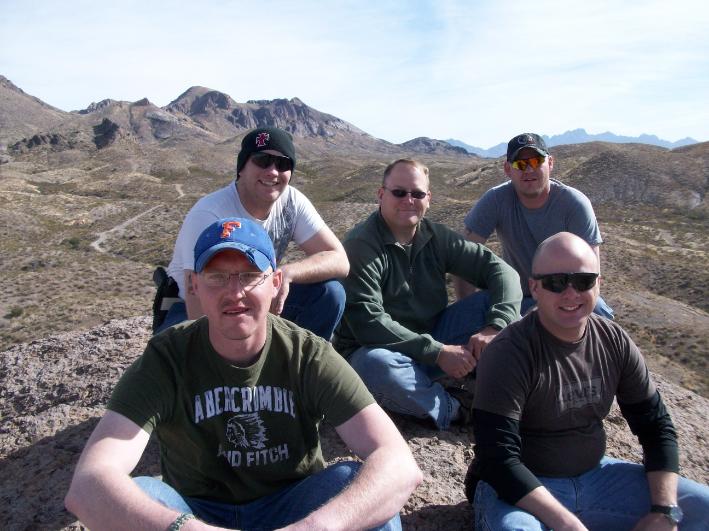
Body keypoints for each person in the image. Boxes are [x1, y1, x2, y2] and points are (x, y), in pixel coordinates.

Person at [65, 217, 422, 531]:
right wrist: (186, 529)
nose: (234, 293)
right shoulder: (168, 358)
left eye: (250, 276)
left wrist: (316, 527)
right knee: (142, 493)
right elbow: (89, 483)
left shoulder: (307, 354)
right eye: (217, 277)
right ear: (193, 285)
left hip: (293, 506)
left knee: (359, 489)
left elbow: (398, 464)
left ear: (276, 282)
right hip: (196, 510)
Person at [467, 232, 709, 530]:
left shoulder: (613, 340)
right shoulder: (509, 352)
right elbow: (497, 458)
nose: (571, 293)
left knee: (703, 508)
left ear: (598, 284)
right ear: (534, 287)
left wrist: (664, 510)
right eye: (556, 282)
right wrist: (567, 524)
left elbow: (655, 426)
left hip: (600, 478)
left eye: (583, 281)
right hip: (523, 492)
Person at [333, 159, 522, 431]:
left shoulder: (435, 237)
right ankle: (458, 408)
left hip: (435, 335)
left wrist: (496, 326)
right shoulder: (361, 245)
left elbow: (502, 272)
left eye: (418, 194)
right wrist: (438, 353)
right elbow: (369, 323)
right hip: (378, 349)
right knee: (376, 367)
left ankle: (512, 387)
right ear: (381, 194)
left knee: (502, 308)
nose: (408, 200)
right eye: (399, 192)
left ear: (428, 199)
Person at [159, 126, 349, 340]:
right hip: (195, 308)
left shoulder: (292, 201)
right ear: (241, 168)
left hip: (256, 298)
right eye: (262, 160)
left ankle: (300, 360)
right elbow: (196, 303)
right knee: (188, 348)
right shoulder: (210, 214)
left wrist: (287, 273)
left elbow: (339, 260)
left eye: (283, 164)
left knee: (329, 293)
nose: (273, 171)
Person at [458, 132, 614, 318]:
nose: (529, 169)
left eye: (536, 161)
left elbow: (592, 273)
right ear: (508, 169)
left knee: (599, 312)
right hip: (517, 299)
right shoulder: (496, 200)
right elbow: (465, 257)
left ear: (550, 163)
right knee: (463, 315)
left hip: (566, 296)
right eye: (520, 164)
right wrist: (466, 309)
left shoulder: (574, 204)